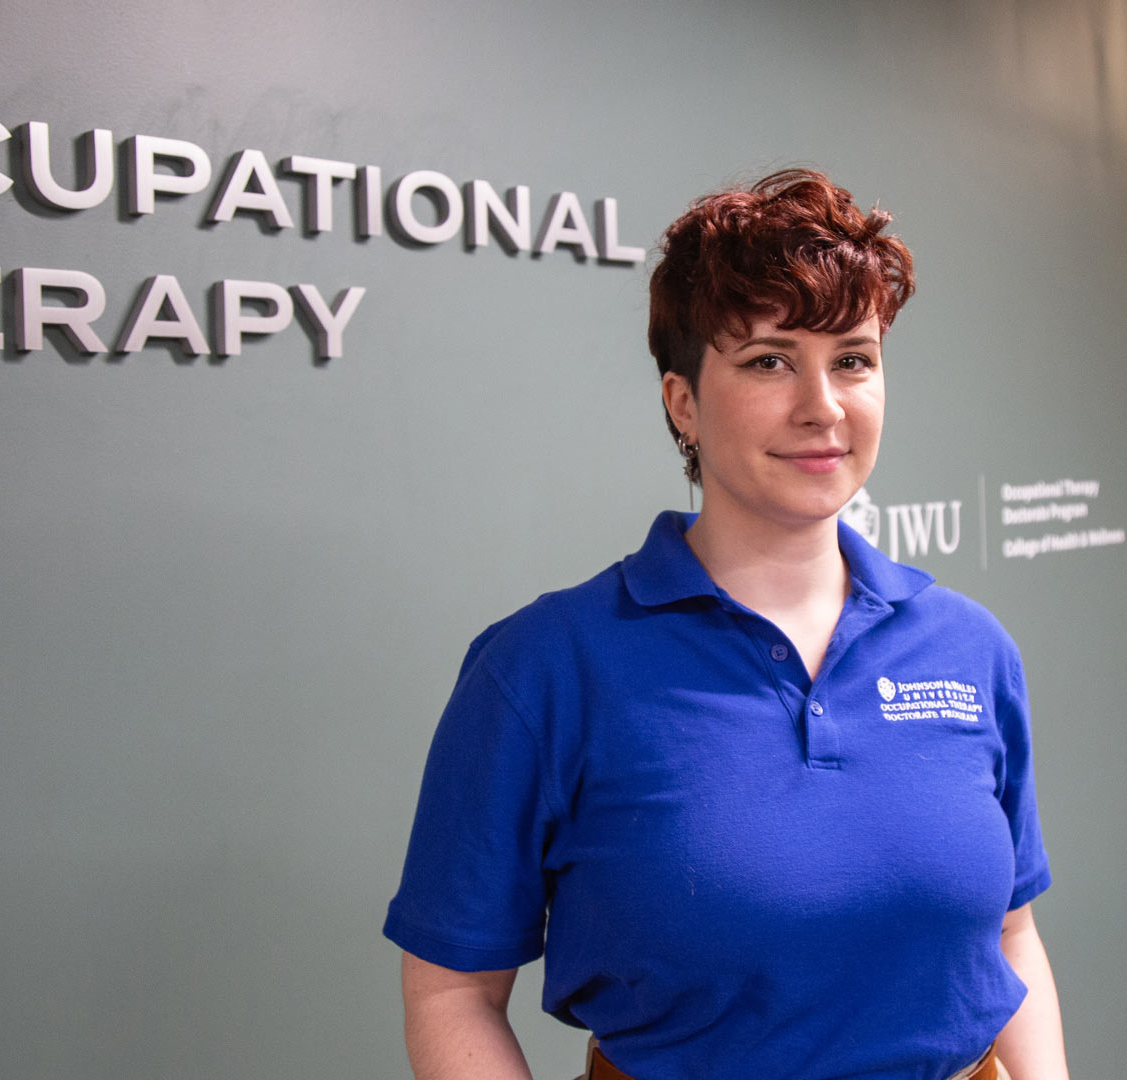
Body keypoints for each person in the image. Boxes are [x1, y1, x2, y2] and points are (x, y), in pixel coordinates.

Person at [384, 169, 1068, 1080]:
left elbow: (1013, 935)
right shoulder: (545, 668)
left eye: (853, 359)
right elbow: (451, 992)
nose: (822, 405)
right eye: (769, 360)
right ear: (682, 404)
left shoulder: (968, 646)